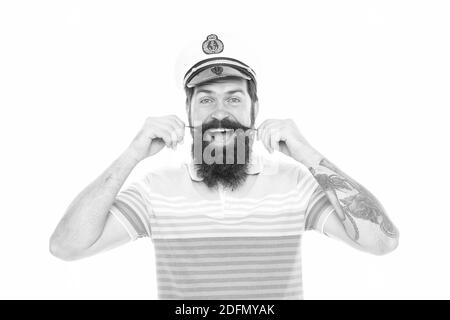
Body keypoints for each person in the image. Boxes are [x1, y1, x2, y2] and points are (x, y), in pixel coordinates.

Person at [50, 34, 399, 300]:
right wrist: (131, 154)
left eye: (234, 98)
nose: (220, 113)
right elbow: (66, 247)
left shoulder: (295, 184)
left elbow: (381, 242)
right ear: (188, 113)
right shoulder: (156, 190)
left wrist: (308, 154)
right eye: (205, 100)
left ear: (254, 110)